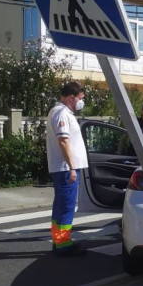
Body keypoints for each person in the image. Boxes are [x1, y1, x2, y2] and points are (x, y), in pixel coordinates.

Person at [46, 82, 89, 256]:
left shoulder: (60, 112)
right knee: (66, 207)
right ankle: (63, 245)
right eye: (80, 98)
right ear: (72, 97)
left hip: (63, 168)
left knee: (60, 206)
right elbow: (63, 141)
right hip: (65, 169)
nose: (81, 101)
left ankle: (59, 241)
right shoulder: (62, 113)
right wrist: (72, 167)